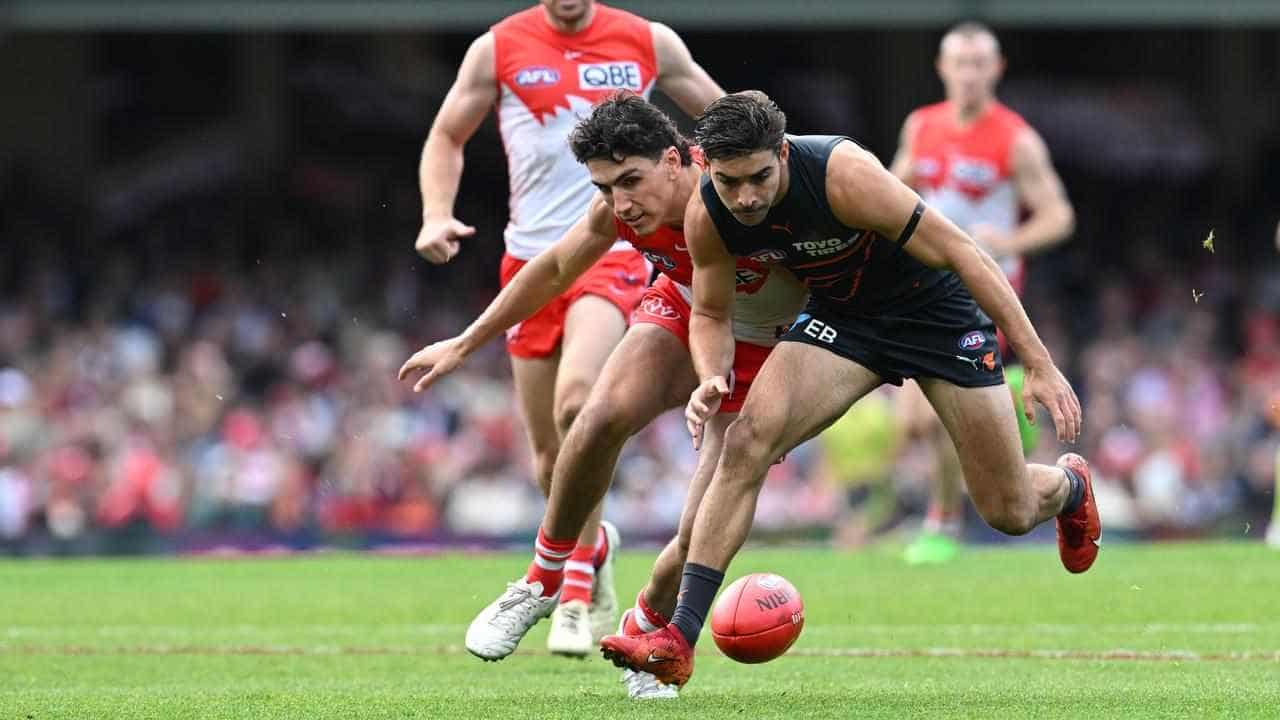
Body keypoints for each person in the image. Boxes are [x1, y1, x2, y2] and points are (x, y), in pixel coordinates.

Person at [599, 91, 1100, 688]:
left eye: (760, 177)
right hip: (844, 319)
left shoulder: (844, 174)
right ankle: (678, 640)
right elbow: (708, 314)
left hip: (936, 315)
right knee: (745, 441)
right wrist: (712, 373)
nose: (748, 197)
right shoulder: (710, 209)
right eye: (731, 182)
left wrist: (1038, 362)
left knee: (1009, 510)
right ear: (710, 167)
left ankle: (1068, 487)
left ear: (782, 153)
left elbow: (964, 252)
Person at [400, 93, 804, 696]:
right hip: (686, 309)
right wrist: (465, 342)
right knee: (594, 417)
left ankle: (647, 623)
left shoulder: (740, 187)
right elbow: (557, 266)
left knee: (698, 531)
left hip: (772, 347)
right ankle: (543, 578)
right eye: (606, 185)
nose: (621, 202)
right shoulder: (617, 208)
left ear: (676, 160)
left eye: (631, 181)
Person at [414, 0, 722, 646]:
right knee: (551, 461)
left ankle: (572, 591)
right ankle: (595, 547)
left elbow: (725, 121)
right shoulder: (496, 48)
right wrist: (435, 213)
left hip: (616, 253)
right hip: (536, 256)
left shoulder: (648, 41)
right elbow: (446, 135)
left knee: (579, 403)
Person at [888, 22, 1076, 565]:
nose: (968, 74)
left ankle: (943, 522)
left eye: (979, 64)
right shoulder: (921, 127)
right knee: (911, 424)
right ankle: (1005, 392)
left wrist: (1009, 240)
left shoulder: (1015, 138)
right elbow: (893, 188)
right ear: (942, 68)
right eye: (959, 63)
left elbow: (1060, 215)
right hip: (923, 282)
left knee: (928, 418)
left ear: (996, 70)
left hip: (982, 290)